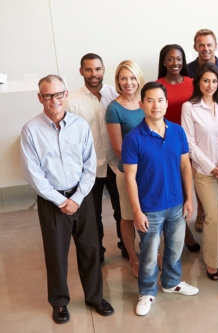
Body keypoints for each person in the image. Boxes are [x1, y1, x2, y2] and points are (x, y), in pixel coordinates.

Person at [20, 75, 114, 324]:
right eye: (48, 95)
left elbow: (89, 165)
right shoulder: (31, 130)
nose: (54, 100)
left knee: (91, 250)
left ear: (66, 95)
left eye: (59, 94)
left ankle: (95, 297)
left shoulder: (80, 126)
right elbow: (34, 174)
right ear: (40, 98)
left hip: (81, 198)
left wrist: (78, 197)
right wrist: (60, 201)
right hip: (52, 203)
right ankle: (60, 303)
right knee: (56, 255)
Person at [122, 82, 199, 316]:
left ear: (166, 102)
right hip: (150, 209)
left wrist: (189, 198)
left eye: (160, 100)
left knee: (175, 250)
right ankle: (147, 292)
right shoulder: (134, 138)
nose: (156, 105)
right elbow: (130, 178)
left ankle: (171, 282)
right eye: (150, 100)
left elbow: (185, 165)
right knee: (148, 254)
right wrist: (136, 211)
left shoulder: (177, 131)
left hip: (176, 204)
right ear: (141, 103)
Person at [181, 63, 218, 281]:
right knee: (212, 215)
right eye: (206, 80)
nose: (210, 85)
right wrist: (210, 167)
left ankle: (217, 256)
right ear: (198, 82)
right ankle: (211, 262)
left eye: (214, 81)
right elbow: (189, 142)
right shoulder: (190, 107)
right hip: (205, 171)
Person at [67, 53, 126, 263]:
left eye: (98, 69)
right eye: (89, 69)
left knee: (123, 211)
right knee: (93, 216)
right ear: (81, 71)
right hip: (90, 169)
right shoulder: (72, 102)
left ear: (104, 70)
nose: (94, 74)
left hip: (116, 164)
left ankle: (127, 248)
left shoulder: (114, 94)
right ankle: (97, 254)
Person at [156, 44, 200, 252]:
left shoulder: (193, 84)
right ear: (164, 61)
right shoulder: (157, 85)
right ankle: (183, 234)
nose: (175, 63)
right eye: (171, 59)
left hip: (191, 143)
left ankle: (185, 230)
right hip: (166, 144)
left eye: (179, 59)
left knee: (190, 188)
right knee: (175, 189)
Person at [105, 60, 145, 277]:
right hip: (128, 171)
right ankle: (133, 257)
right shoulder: (114, 108)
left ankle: (150, 252)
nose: (128, 82)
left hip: (150, 171)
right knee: (128, 216)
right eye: (123, 78)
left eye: (132, 77)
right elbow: (119, 148)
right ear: (117, 82)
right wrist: (140, 165)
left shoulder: (146, 101)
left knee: (150, 214)